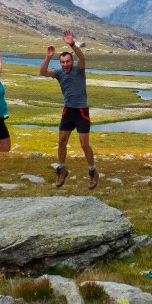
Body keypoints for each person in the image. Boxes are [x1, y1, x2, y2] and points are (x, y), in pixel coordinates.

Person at [39, 29, 98, 188]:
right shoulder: (58, 73)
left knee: (84, 144)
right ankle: (61, 170)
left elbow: (82, 57)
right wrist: (48, 57)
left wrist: (72, 44)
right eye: (63, 62)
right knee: (61, 141)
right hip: (68, 111)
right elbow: (43, 72)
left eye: (67, 61)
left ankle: (92, 172)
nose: (65, 64)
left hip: (81, 111)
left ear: (71, 62)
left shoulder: (79, 69)